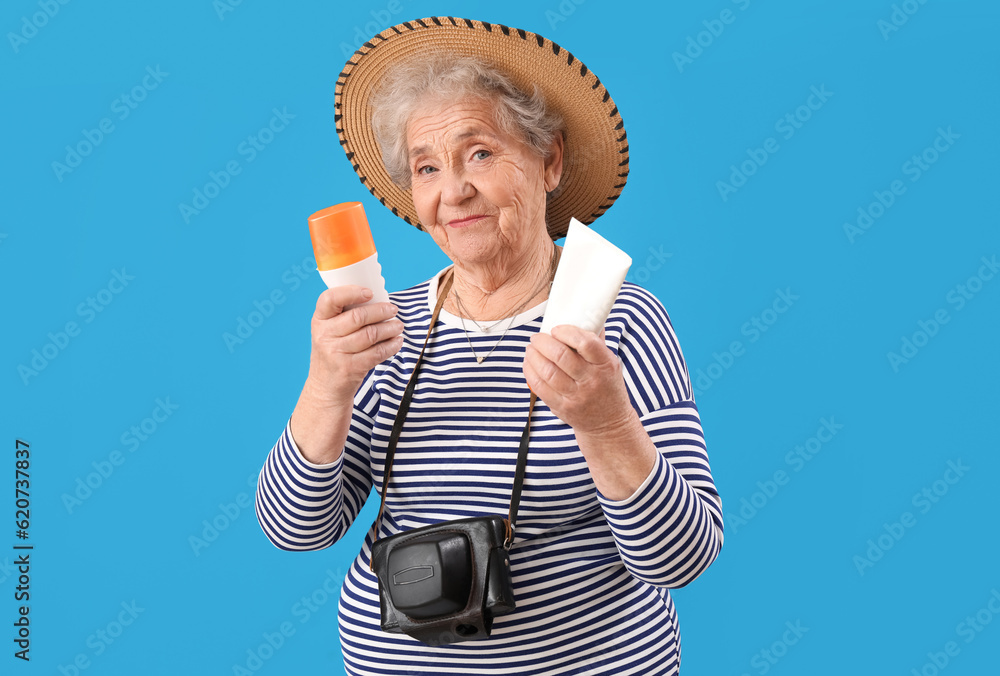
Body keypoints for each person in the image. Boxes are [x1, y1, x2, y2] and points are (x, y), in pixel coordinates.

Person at [255, 16, 723, 676]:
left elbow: (684, 557)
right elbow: (297, 530)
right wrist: (326, 385)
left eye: (479, 153)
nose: (454, 191)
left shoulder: (621, 321)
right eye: (427, 167)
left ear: (549, 160)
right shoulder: (387, 327)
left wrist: (605, 422)